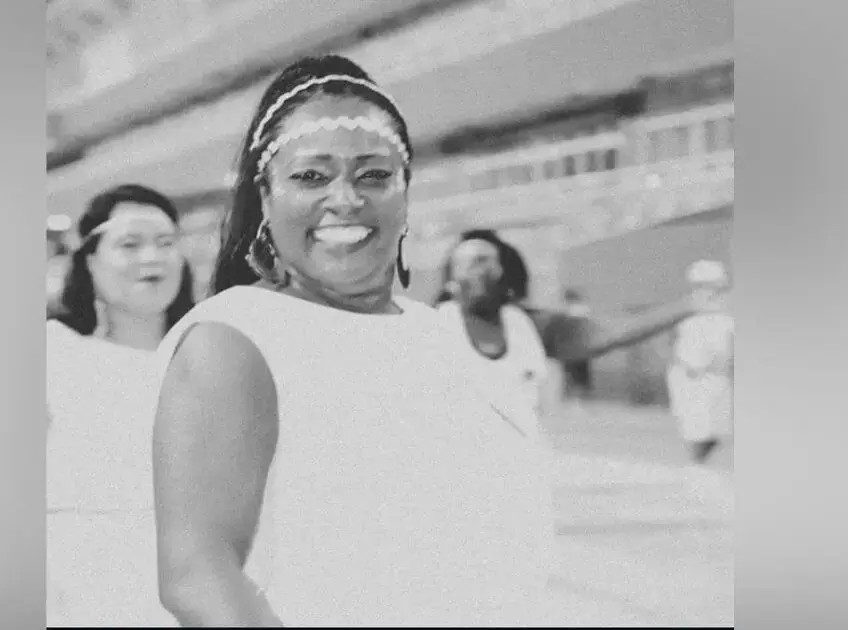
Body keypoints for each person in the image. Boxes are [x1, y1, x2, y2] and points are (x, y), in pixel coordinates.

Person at [150, 55, 556, 627]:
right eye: (311, 177)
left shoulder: (432, 331)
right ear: (265, 197)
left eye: (373, 175)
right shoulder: (235, 338)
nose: (345, 199)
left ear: (405, 192)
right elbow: (197, 575)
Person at [45, 184, 195, 627]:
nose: (152, 258)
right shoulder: (56, 356)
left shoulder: (214, 358)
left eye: (166, 243)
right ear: (90, 260)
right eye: (130, 244)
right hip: (81, 599)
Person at [437, 234, 550, 421]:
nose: (481, 273)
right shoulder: (438, 324)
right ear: (452, 281)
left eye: (489, 266)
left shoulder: (517, 321)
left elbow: (536, 390)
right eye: (472, 266)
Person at [667, 259, 734, 465]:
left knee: (718, 428)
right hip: (688, 375)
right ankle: (696, 463)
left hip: (716, 376)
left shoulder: (725, 318)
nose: (708, 291)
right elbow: (674, 343)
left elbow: (727, 348)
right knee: (696, 426)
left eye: (713, 286)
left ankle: (698, 462)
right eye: (701, 286)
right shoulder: (687, 317)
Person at [560, 288, 594, 399]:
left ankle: (574, 395)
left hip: (573, 346)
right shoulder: (583, 309)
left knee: (574, 371)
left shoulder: (570, 310)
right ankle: (578, 395)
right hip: (582, 346)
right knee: (579, 373)